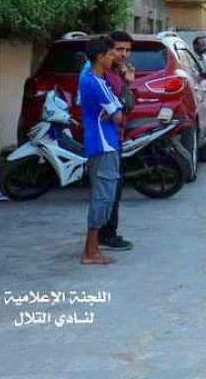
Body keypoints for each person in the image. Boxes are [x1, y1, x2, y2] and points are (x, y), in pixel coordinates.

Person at [78, 36, 124, 265]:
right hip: (103, 143)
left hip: (103, 141)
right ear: (99, 57)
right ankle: (90, 251)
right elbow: (118, 114)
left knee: (104, 195)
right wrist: (113, 113)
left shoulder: (95, 79)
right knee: (103, 196)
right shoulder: (95, 82)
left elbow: (116, 109)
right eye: (110, 53)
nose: (114, 56)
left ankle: (92, 248)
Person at [89, 30, 135, 252]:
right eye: (119, 50)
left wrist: (127, 84)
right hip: (103, 139)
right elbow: (119, 107)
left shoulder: (118, 72)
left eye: (127, 50)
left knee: (113, 189)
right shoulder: (100, 74)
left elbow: (127, 104)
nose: (123, 54)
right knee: (106, 191)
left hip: (116, 137)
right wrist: (125, 90)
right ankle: (103, 237)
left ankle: (105, 235)